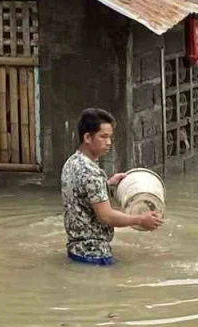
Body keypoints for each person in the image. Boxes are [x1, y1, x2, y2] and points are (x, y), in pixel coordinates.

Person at [61, 108, 163, 266]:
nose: (108, 142)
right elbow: (106, 216)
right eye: (103, 137)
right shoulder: (91, 173)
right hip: (95, 255)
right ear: (87, 137)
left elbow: (82, 195)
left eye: (110, 137)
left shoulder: (72, 163)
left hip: (75, 250)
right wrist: (140, 219)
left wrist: (106, 184)